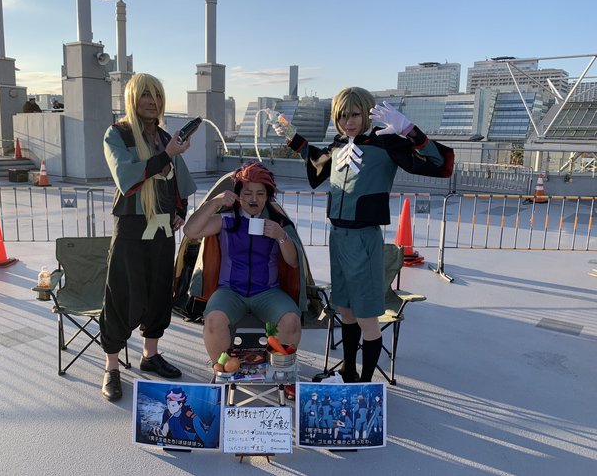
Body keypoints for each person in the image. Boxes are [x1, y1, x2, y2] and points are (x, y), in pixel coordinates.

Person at [273, 88, 453, 383]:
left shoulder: (386, 142)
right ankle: (348, 371)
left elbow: (438, 164)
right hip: (337, 237)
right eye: (342, 115)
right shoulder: (339, 144)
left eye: (355, 114)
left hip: (364, 238)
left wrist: (409, 131)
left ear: (367, 113)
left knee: (367, 317)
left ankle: (365, 384)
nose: (349, 121)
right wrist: (292, 136)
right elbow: (318, 160)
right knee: (345, 310)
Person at [100, 73, 196, 401]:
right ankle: (112, 366)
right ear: (132, 98)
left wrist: (180, 209)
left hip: (163, 228)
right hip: (131, 225)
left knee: (158, 293)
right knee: (121, 294)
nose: (152, 102)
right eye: (145, 95)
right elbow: (126, 177)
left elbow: (179, 181)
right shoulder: (118, 134)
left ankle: (150, 354)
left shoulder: (167, 137)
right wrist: (167, 154)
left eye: (156, 95)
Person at [183, 162, 302, 365]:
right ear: (238, 195)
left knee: (291, 321)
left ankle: (280, 370)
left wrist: (281, 236)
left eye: (260, 193)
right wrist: (214, 202)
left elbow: (293, 262)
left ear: (268, 196)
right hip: (229, 291)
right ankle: (224, 369)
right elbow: (190, 231)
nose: (254, 199)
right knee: (213, 321)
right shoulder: (226, 220)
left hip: (268, 291)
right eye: (247, 193)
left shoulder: (279, 223)